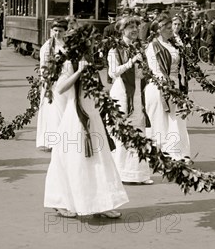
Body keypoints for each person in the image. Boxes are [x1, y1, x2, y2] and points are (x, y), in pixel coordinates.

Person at [44, 26, 129, 218]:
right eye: (89, 41)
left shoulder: (91, 61)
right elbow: (61, 88)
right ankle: (62, 201)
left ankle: (102, 203)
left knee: (99, 159)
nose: (93, 44)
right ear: (81, 43)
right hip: (75, 116)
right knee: (72, 160)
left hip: (93, 114)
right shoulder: (68, 62)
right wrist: (78, 72)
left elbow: (96, 87)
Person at [107, 16, 153, 185]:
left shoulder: (139, 48)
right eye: (130, 27)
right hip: (122, 93)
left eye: (136, 26)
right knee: (124, 131)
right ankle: (122, 173)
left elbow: (141, 73)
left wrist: (145, 70)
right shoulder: (115, 49)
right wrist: (130, 62)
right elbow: (113, 73)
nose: (134, 30)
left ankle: (138, 174)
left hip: (137, 92)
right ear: (122, 30)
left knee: (139, 129)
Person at [144, 13, 191, 161]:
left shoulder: (174, 44)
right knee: (160, 122)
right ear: (159, 29)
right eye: (168, 28)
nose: (172, 30)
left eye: (172, 27)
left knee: (177, 120)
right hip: (160, 87)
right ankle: (160, 154)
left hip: (175, 84)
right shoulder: (153, 46)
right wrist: (167, 88)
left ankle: (177, 153)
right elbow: (155, 69)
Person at [36, 18, 69, 151]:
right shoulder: (47, 47)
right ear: (51, 31)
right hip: (53, 83)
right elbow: (43, 66)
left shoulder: (69, 45)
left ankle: (65, 138)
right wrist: (46, 81)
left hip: (67, 81)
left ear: (65, 32)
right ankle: (55, 141)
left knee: (67, 109)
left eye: (60, 31)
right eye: (55, 30)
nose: (57, 33)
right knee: (55, 110)